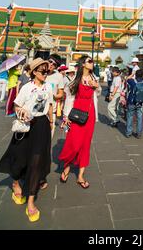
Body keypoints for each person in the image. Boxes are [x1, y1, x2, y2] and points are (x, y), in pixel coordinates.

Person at [0, 58, 53, 223]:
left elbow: (49, 106)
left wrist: (51, 123)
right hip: (26, 125)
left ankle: (30, 200)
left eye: (47, 71)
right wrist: (22, 111)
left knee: (36, 162)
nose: (45, 74)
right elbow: (16, 105)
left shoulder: (48, 87)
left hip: (41, 125)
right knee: (20, 159)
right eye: (43, 71)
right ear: (34, 72)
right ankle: (16, 183)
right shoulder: (27, 88)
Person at [58, 56, 98, 188]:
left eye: (92, 61)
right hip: (76, 115)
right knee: (73, 143)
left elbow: (97, 94)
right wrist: (66, 116)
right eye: (89, 61)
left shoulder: (94, 78)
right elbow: (69, 98)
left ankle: (80, 176)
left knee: (85, 144)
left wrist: (96, 87)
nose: (92, 63)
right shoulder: (75, 80)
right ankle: (67, 167)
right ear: (83, 65)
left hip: (90, 115)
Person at [125, 69, 143, 139]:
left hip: (131, 102)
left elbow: (126, 79)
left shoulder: (132, 81)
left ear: (136, 75)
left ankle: (129, 133)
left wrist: (132, 74)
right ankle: (139, 134)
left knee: (130, 117)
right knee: (140, 118)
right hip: (140, 102)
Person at [46, 54, 64, 134]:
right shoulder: (39, 73)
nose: (51, 65)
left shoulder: (59, 76)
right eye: (50, 62)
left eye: (54, 64)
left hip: (51, 111)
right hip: (37, 111)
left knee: (48, 138)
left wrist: (53, 96)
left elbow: (61, 94)